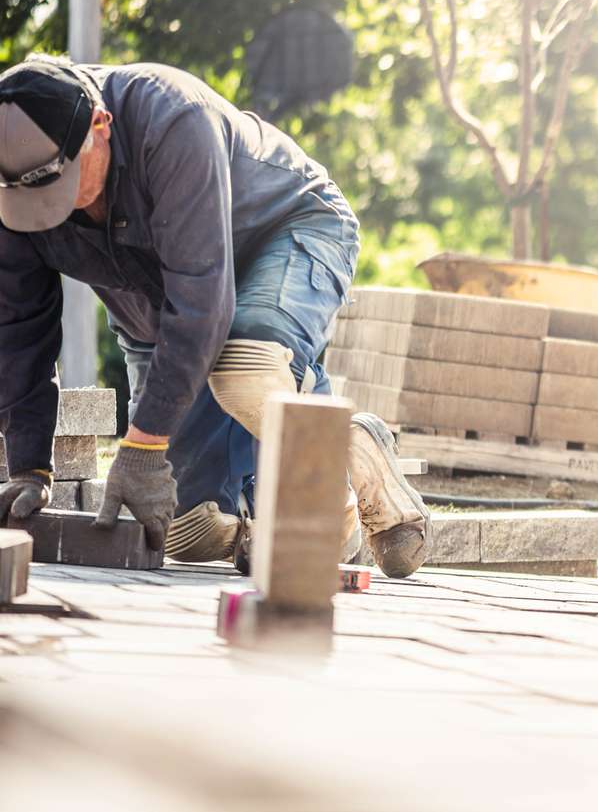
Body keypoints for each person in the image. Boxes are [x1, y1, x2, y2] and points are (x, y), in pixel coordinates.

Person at [0, 55, 430, 577]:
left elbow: (203, 303)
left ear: (100, 125)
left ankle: (358, 459)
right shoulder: (12, 186)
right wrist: (29, 467)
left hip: (288, 232)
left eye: (63, 184)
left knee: (244, 370)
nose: (54, 209)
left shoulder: (174, 119)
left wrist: (143, 443)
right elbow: (20, 331)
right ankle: (318, 507)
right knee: (186, 525)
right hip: (165, 313)